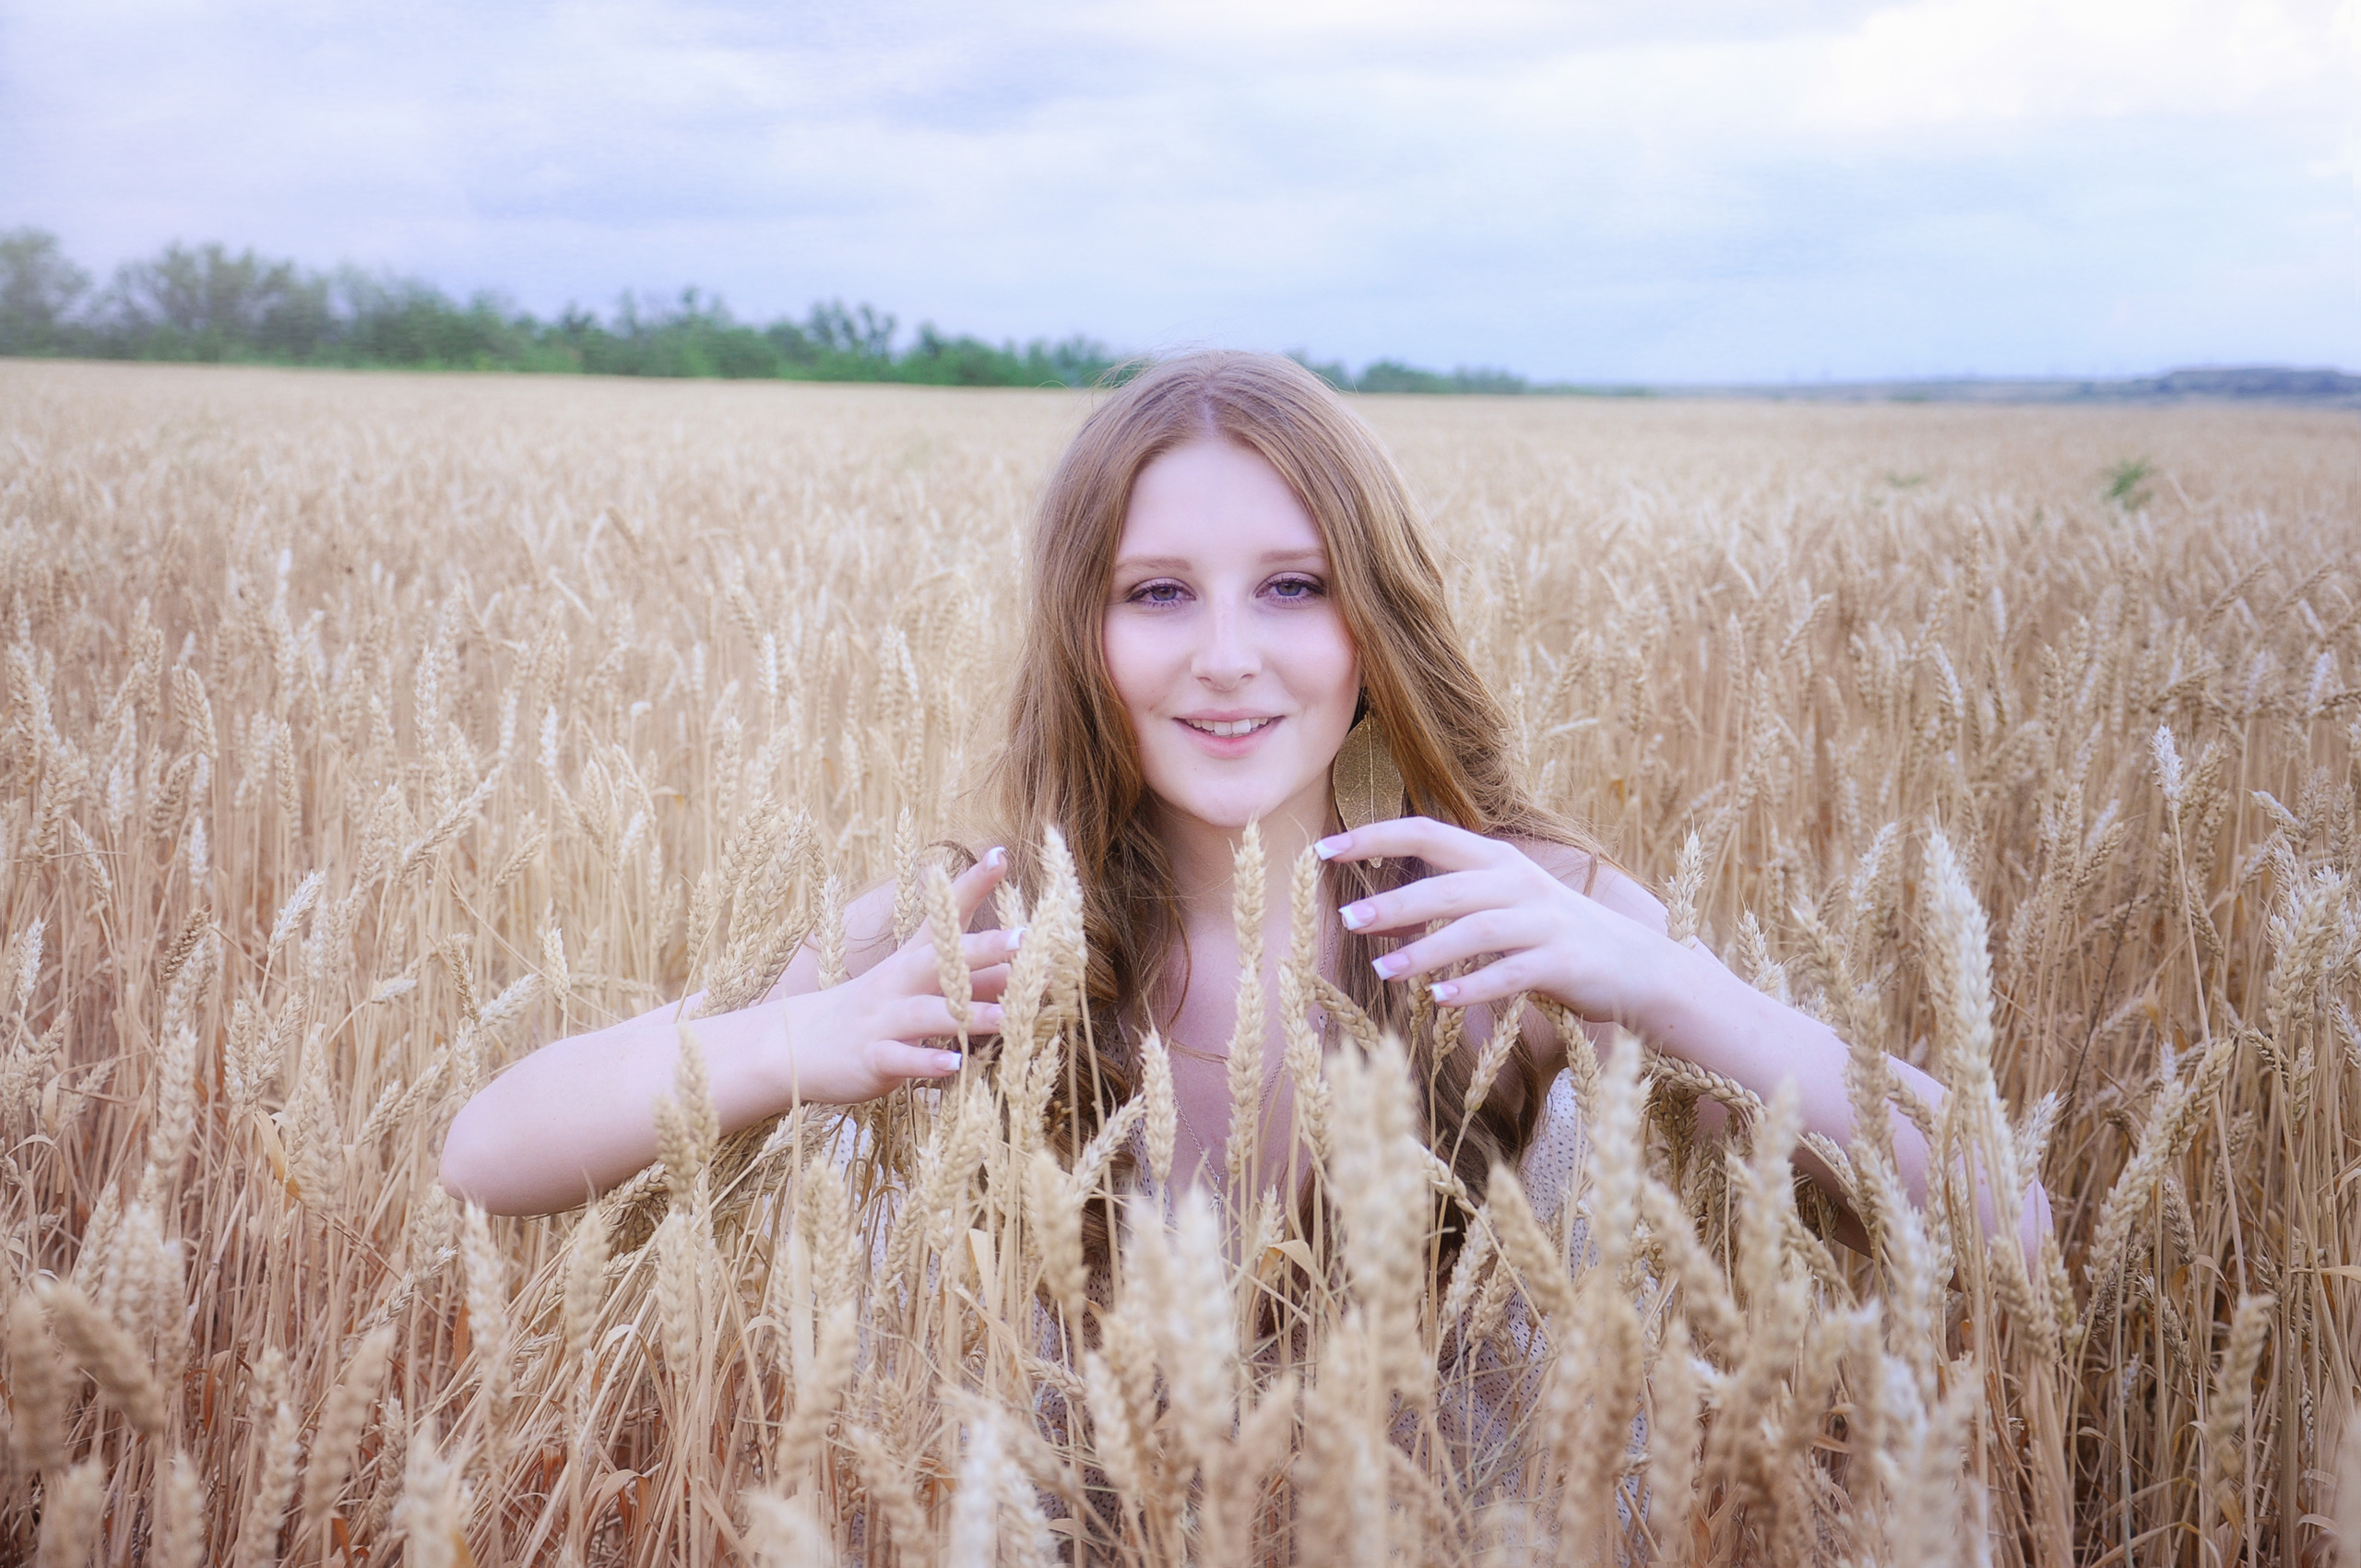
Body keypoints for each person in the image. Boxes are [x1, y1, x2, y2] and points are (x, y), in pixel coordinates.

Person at [440, 351, 2050, 1273]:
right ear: (1086, 633)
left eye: (1293, 587)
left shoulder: (1526, 916)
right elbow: (486, 1155)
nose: (1227, 659)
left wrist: (1668, 989)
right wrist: (798, 1044)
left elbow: (2008, 1235)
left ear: (1376, 628)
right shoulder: (979, 931)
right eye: (1157, 593)